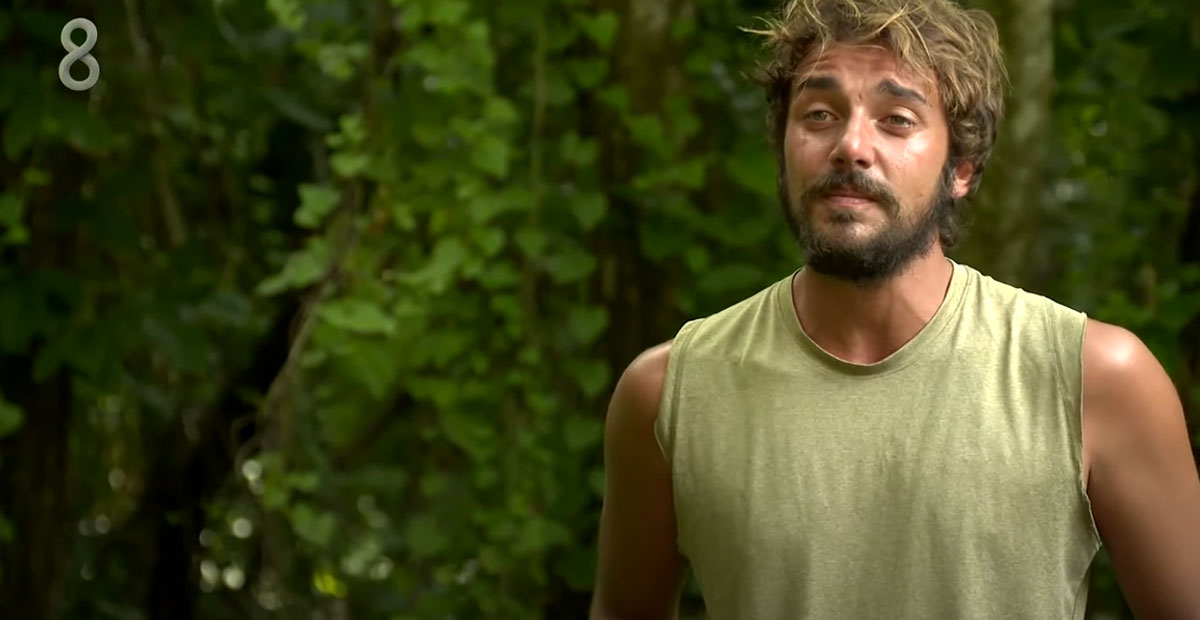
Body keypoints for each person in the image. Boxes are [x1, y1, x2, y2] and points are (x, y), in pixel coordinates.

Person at [588, 0, 1200, 618]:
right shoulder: (669, 394)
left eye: (897, 120)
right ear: (782, 147)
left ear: (962, 169)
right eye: (819, 115)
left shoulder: (1095, 380)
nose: (851, 146)